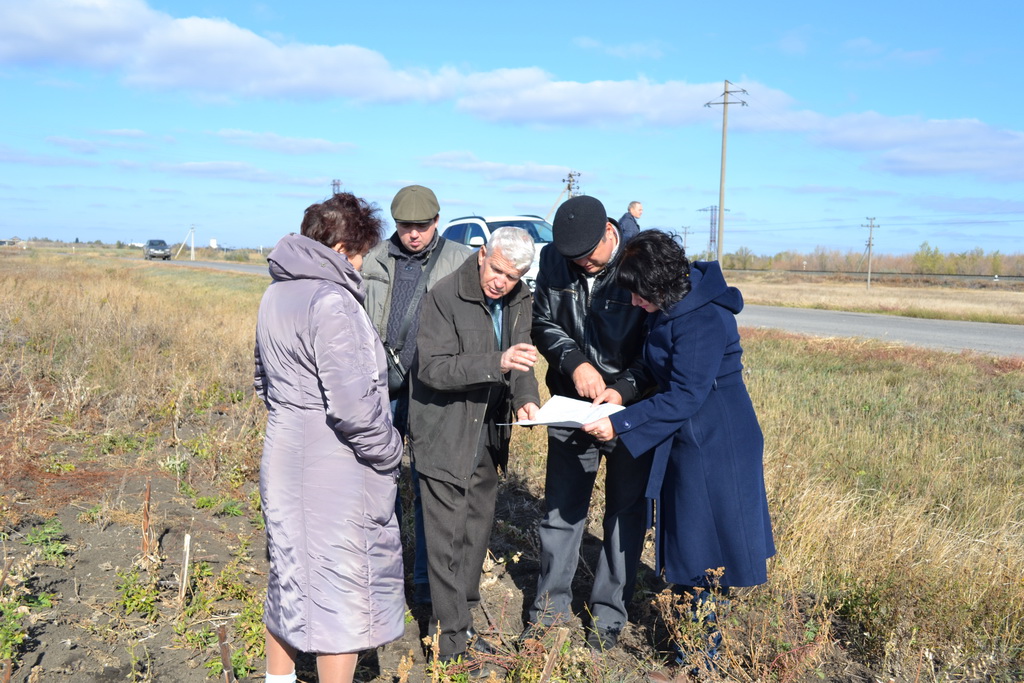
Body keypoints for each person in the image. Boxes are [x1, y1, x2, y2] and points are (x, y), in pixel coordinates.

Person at [582, 229, 775, 668]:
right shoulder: (671, 306)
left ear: (661, 286)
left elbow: (687, 394)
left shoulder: (704, 319)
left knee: (706, 548)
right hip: (686, 436)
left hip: (716, 442)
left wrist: (620, 424)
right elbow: (654, 363)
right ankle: (690, 647)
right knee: (689, 543)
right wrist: (621, 393)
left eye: (638, 295)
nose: (634, 304)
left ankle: (700, 660)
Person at [254, 193, 405, 683]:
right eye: (360, 253)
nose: (362, 264)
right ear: (341, 249)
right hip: (335, 468)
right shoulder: (332, 301)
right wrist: (391, 451)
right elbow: (354, 407)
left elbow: (263, 382)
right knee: (342, 591)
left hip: (282, 451)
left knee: (291, 576)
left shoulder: (275, 294)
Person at [408, 227, 541, 673]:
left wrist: (527, 397)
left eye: (515, 274)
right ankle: (451, 645)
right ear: (482, 255)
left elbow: (521, 359)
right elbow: (432, 369)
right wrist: (495, 363)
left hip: (488, 432)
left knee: (475, 532)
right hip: (444, 430)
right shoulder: (444, 296)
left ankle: (460, 619)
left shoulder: (521, 297)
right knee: (445, 539)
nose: (503, 281)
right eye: (499, 269)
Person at [527, 195, 653, 651]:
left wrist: (623, 391)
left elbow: (657, 345)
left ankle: (608, 615)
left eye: (589, 256)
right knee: (561, 509)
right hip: (569, 403)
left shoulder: (640, 262)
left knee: (625, 513)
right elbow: (542, 321)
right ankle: (547, 612)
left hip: (629, 409)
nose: (581, 265)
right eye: (572, 259)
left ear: (609, 232)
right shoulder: (555, 260)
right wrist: (574, 362)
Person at [362, 185, 472, 606]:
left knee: (429, 484)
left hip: (434, 389)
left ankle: (426, 583)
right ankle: (381, 577)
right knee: (377, 482)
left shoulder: (461, 260)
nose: (414, 235)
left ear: (437, 222)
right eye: (406, 227)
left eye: (422, 227)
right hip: (379, 387)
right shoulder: (372, 258)